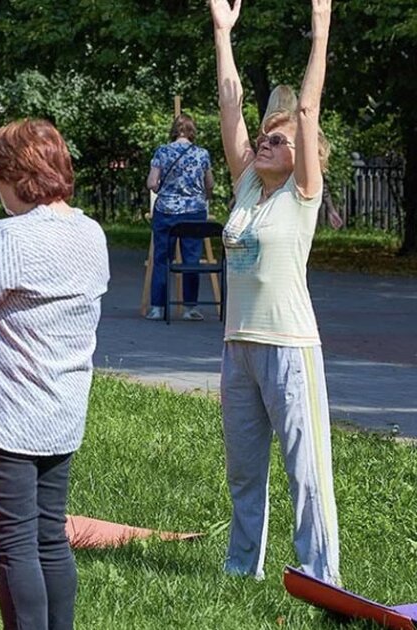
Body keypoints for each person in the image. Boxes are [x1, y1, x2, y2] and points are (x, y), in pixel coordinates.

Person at [0, 119, 109, 630]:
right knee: (49, 539)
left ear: (15, 176)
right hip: (60, 412)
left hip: (2, 415)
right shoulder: (90, 232)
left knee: (13, 549)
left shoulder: (6, 237)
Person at [209, 0, 340, 584]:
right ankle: (243, 570)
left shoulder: (301, 193)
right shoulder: (245, 189)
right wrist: (222, 34)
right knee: (244, 470)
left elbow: (306, 107)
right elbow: (230, 106)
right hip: (238, 346)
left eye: (279, 141)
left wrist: (321, 31)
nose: (265, 142)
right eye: (265, 136)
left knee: (305, 471)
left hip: (289, 346)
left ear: (302, 157)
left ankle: (320, 576)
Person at [145, 114, 215, 321]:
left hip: (166, 210)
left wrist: (164, 189)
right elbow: (209, 183)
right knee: (191, 259)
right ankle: (189, 308)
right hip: (194, 212)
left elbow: (151, 183)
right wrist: (203, 196)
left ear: (174, 130)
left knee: (161, 259)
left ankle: (157, 308)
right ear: (192, 130)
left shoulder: (162, 151)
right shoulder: (202, 154)